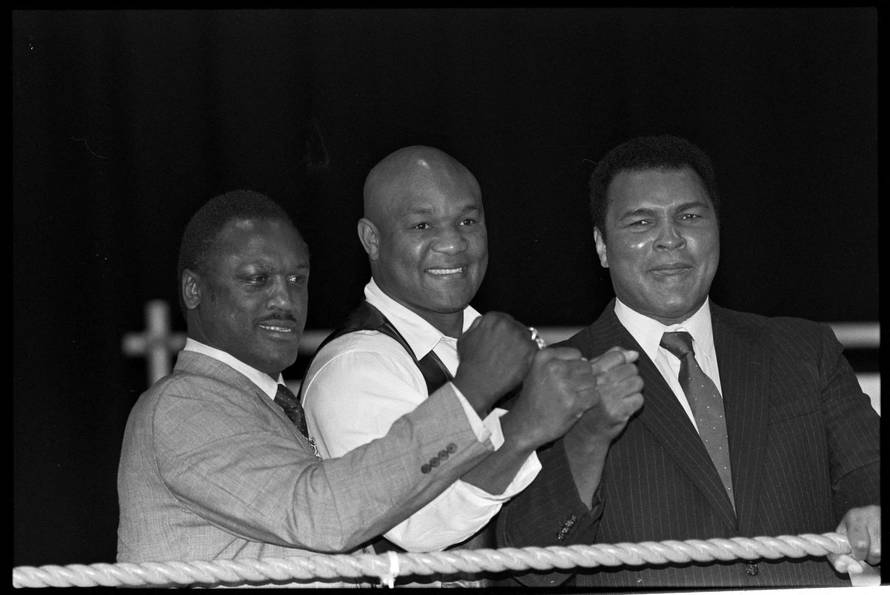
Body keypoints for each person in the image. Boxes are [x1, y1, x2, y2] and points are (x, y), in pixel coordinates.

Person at [116, 189, 610, 588]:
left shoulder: (265, 405)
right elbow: (323, 514)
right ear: (194, 290)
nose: (284, 299)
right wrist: (470, 394)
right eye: (257, 279)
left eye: (297, 279)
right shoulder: (183, 403)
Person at [496, 135, 881, 588]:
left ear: (718, 228)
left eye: (690, 216)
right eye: (641, 222)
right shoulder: (553, 375)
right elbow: (530, 568)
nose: (670, 239)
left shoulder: (803, 348)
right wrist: (589, 436)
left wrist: (872, 514)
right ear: (601, 245)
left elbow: (868, 474)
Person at [300, 146, 644, 585]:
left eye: (467, 221)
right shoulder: (355, 368)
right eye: (422, 225)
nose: (453, 243)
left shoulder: (499, 340)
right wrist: (523, 427)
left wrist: (587, 431)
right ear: (372, 239)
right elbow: (417, 526)